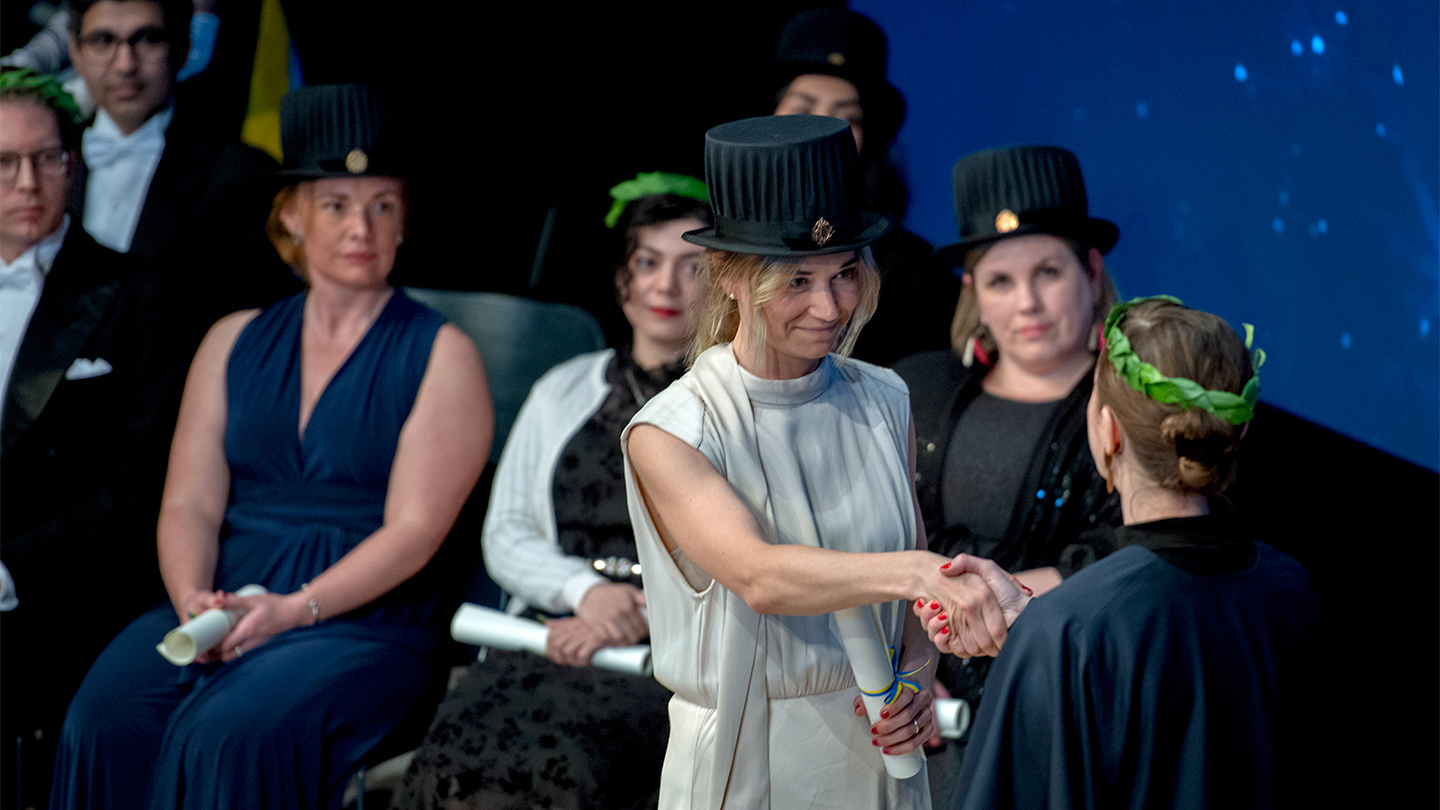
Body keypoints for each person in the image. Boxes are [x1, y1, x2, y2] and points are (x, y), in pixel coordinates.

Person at [50, 83, 493, 808]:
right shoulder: (231, 340)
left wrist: (294, 609)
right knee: (106, 717)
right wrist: (193, 600)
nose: (362, 228)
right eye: (336, 205)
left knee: (231, 732)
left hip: (361, 617)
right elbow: (190, 504)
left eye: (383, 206)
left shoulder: (445, 355)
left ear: (404, 221)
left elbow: (414, 534)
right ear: (291, 215)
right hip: (227, 593)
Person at [623, 115, 1015, 809]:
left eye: (844, 274)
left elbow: (909, 598)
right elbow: (761, 576)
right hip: (747, 763)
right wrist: (920, 572)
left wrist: (915, 675)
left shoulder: (884, 398)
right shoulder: (673, 429)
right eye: (798, 279)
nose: (829, 306)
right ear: (729, 275)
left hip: (880, 761)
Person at [920, 296, 1319, 808]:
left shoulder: (1068, 631)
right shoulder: (1291, 589)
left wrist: (1044, 642)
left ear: (1107, 432)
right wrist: (1037, 634)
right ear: (1237, 431)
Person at [391, 175, 712, 809]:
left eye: (692, 267)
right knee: (451, 762)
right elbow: (506, 533)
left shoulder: (734, 405)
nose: (666, 287)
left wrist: (638, 615)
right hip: (553, 631)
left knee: (562, 774)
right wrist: (584, 594)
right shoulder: (562, 389)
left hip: (673, 655)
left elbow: (750, 558)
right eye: (648, 263)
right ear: (621, 277)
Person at [892, 145, 1124, 796]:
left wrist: (965, 610)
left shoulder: (1137, 409)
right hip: (914, 704)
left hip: (1068, 705)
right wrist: (907, 661)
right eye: (1000, 281)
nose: (1028, 302)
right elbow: (871, 542)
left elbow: (1133, 559)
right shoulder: (916, 389)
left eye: (1048, 272)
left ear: (1091, 271)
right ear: (973, 292)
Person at [0, 65, 183, 809]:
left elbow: (136, 492)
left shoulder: (139, 295)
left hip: (62, 589)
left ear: (72, 164)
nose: (28, 182)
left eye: (47, 158)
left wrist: (8, 570)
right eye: (4, 163)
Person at [64, 0, 297, 340]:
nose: (126, 64)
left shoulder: (244, 174)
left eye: (148, 39)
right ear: (75, 51)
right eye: (103, 40)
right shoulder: (42, 160)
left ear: (185, 46)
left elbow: (250, 322)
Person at [769, 7, 956, 366]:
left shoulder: (916, 270)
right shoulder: (717, 240)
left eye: (846, 118)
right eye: (804, 111)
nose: (823, 131)